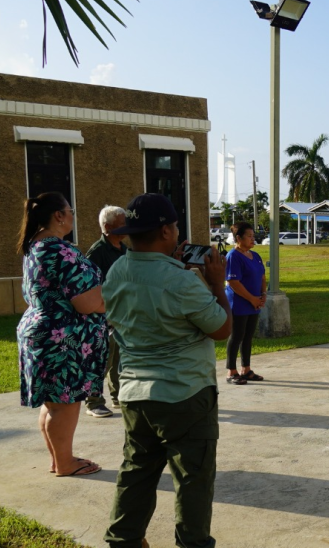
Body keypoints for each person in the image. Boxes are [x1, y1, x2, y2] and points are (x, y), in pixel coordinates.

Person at [103, 193, 232, 548]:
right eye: (175, 227)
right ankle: (192, 543)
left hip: (134, 393)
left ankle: (123, 539)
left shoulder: (116, 271)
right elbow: (221, 329)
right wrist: (217, 285)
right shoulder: (181, 281)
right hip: (185, 393)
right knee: (193, 478)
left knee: (136, 471)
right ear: (164, 231)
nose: (178, 234)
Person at [15, 191, 107, 477]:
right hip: (62, 339)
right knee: (64, 404)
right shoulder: (59, 249)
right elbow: (87, 301)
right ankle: (65, 463)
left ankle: (60, 459)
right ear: (59, 216)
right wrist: (107, 301)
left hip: (43, 331)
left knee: (54, 403)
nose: (72, 216)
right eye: (71, 211)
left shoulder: (36, 246)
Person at [84, 205, 128, 418]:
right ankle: (93, 401)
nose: (127, 228)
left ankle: (118, 395)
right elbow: (90, 287)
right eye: (122, 224)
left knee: (118, 356)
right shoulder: (97, 253)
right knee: (101, 358)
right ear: (108, 227)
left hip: (122, 312)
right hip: (101, 314)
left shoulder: (124, 249)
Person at [224, 221, 267, 385]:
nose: (252, 239)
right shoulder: (233, 256)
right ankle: (231, 371)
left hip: (254, 303)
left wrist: (262, 295)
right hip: (239, 304)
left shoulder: (255, 256)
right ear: (238, 238)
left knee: (248, 337)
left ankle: (246, 369)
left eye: (253, 236)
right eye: (249, 236)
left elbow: (262, 276)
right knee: (236, 336)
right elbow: (233, 282)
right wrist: (252, 299)